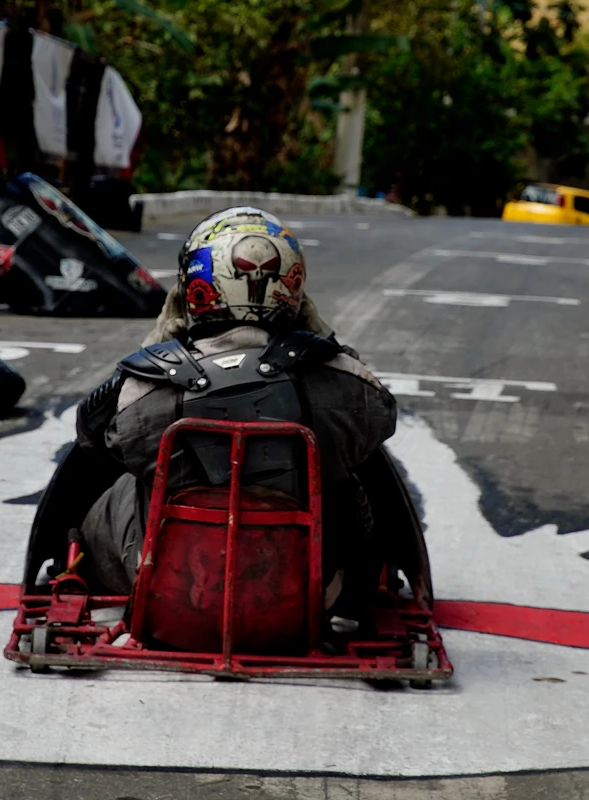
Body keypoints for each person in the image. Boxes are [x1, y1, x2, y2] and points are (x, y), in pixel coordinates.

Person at [73, 207, 397, 608]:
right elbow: (381, 417)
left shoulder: (144, 387)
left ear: (196, 286)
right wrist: (321, 336)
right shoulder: (345, 382)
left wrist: (160, 339)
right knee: (347, 479)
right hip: (305, 598)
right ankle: (363, 593)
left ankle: (71, 574)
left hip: (171, 594)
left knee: (129, 480)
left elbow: (91, 437)